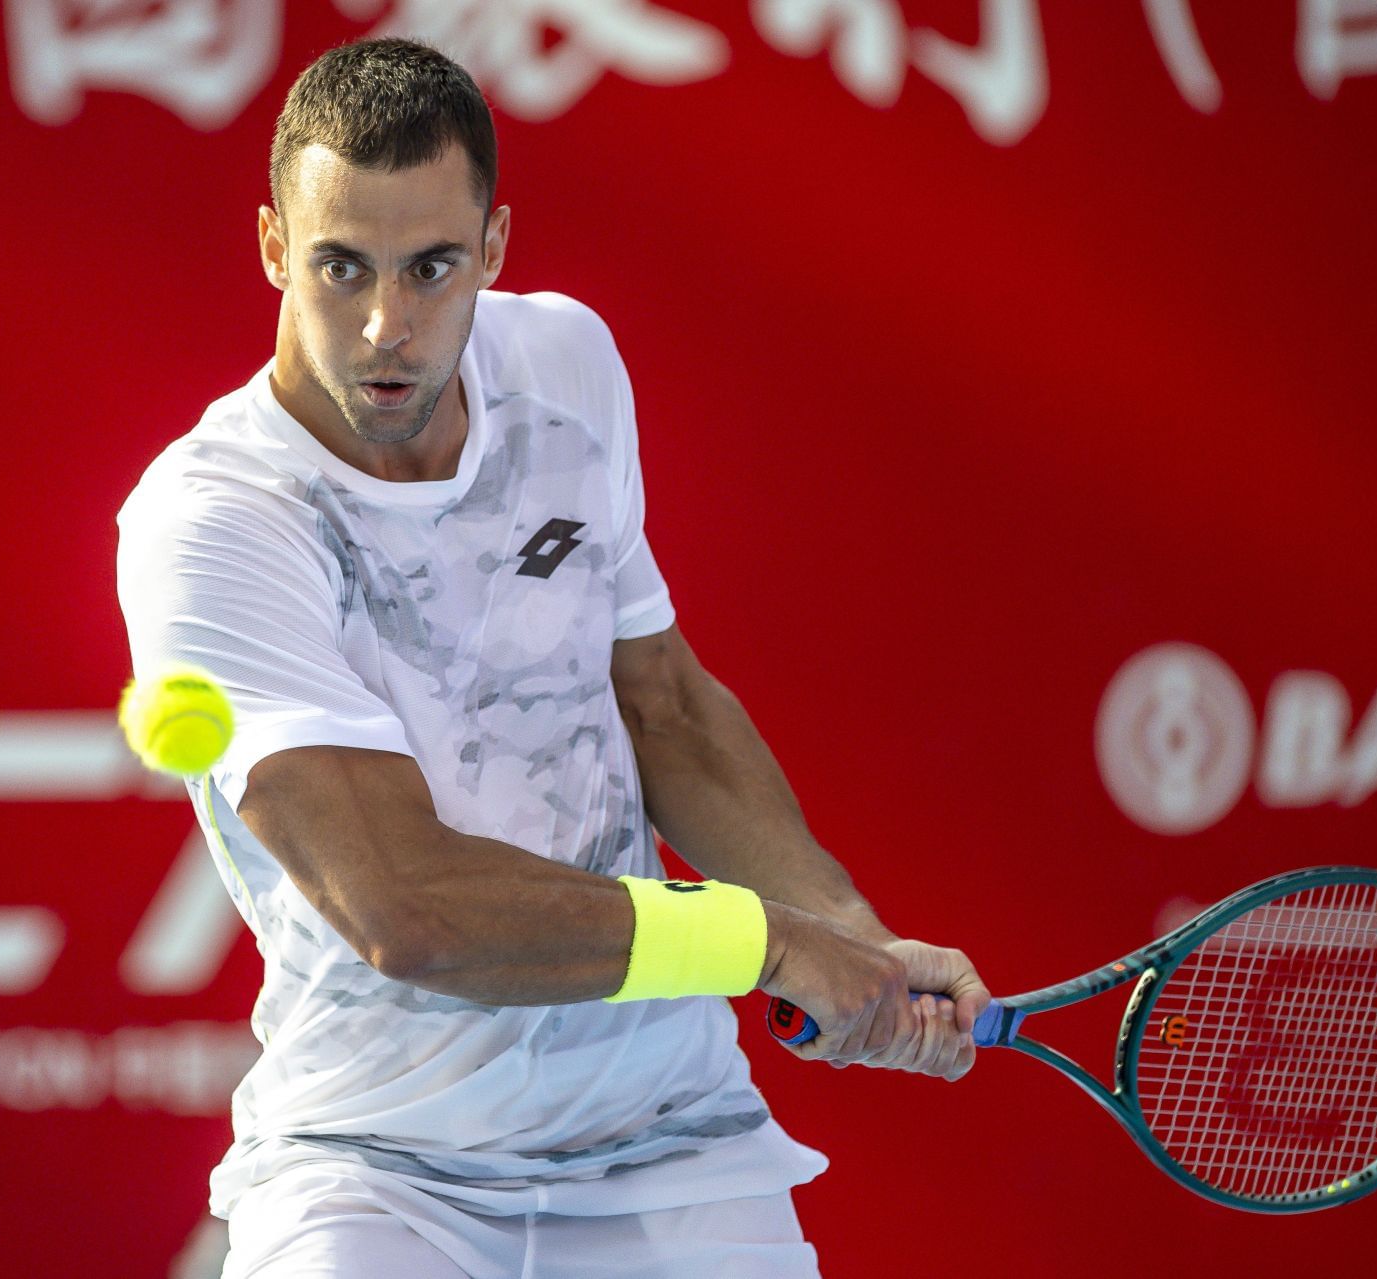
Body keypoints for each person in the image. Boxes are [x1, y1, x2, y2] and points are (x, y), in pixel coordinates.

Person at [116, 37, 990, 1279]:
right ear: (271, 248)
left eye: (430, 268)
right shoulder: (216, 523)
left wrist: (848, 933)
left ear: (495, 247)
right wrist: (763, 940)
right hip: (378, 1168)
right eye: (339, 267)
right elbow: (407, 911)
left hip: (673, 1140)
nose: (386, 327)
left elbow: (665, 707)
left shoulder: (569, 369)